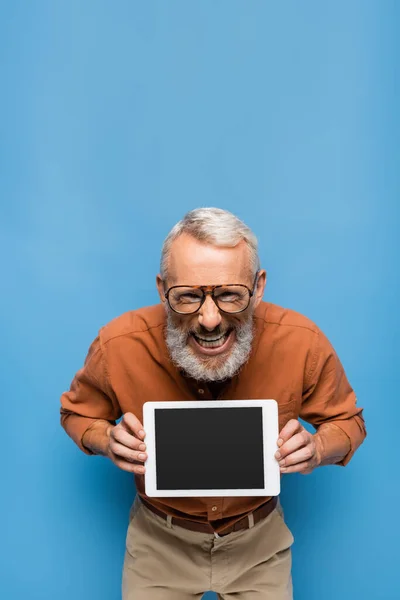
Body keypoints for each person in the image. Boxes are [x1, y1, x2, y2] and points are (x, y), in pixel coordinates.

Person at [60, 207, 366, 600]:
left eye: (229, 296)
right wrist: (105, 438)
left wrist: (317, 448)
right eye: (187, 296)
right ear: (161, 288)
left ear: (258, 287)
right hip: (158, 546)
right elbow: (77, 412)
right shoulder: (118, 344)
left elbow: (348, 422)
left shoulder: (302, 342)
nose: (208, 319)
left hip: (259, 545)